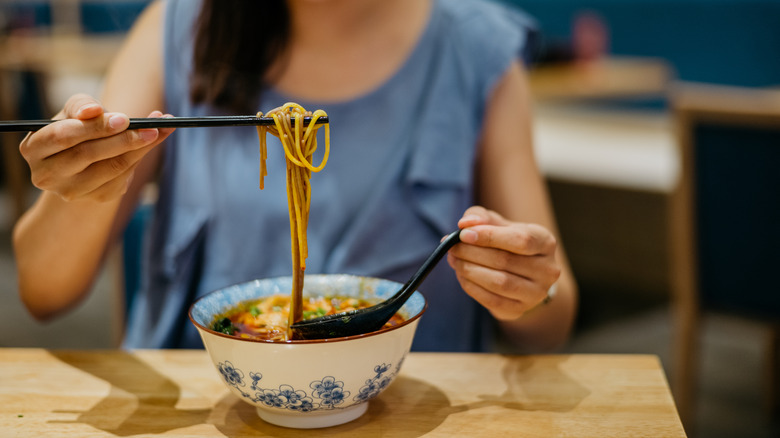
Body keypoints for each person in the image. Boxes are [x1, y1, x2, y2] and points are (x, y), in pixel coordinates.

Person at [13, 0, 577, 352]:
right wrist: (80, 181)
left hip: (412, 412)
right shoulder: (181, 26)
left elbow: (554, 318)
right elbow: (43, 292)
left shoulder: (477, 46)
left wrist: (526, 289)